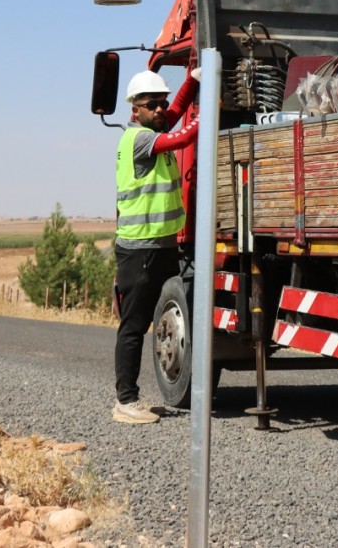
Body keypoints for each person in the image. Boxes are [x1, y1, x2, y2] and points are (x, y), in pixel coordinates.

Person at [112, 66, 200, 425]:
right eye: (152, 104)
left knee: (157, 318)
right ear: (136, 110)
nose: (161, 109)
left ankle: (130, 399)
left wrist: (192, 82)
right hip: (140, 250)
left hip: (161, 247)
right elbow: (181, 138)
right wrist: (208, 113)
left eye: (162, 102)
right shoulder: (139, 139)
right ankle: (125, 402)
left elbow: (176, 115)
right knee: (133, 326)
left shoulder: (154, 127)